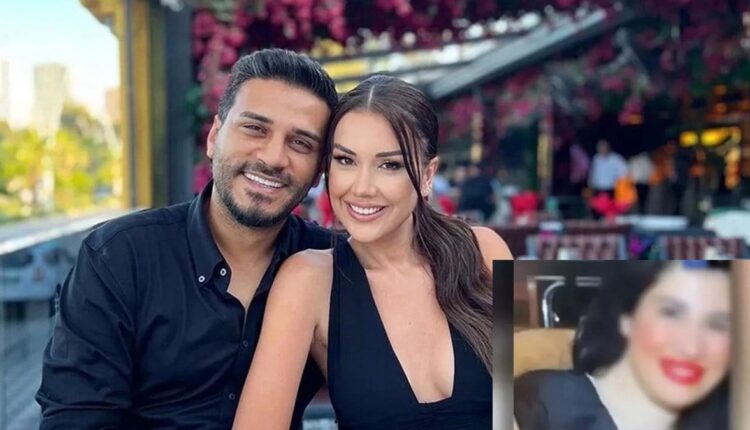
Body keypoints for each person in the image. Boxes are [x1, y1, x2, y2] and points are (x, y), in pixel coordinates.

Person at [36, 49, 339, 429]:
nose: (274, 157)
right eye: (255, 128)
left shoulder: (332, 264)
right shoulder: (119, 258)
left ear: (318, 172)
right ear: (214, 137)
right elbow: (76, 419)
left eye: (301, 144)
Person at [232, 75, 512, 429]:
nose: (362, 188)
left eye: (389, 165)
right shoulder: (308, 279)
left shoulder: (485, 249)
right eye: (345, 160)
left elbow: (556, 408)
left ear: (428, 175)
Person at [515, 261, 731, 430]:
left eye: (718, 324)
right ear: (626, 316)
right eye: (670, 313)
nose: (691, 348)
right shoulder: (542, 403)